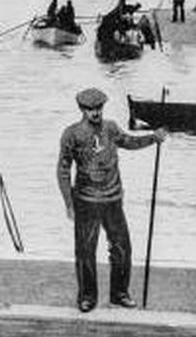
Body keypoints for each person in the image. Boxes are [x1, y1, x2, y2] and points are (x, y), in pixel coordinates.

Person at [56, 88, 166, 313]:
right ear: (82, 110)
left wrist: (153, 138)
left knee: (122, 248)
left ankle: (119, 294)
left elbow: (129, 142)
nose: (95, 113)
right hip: (85, 201)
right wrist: (68, 204)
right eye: (90, 109)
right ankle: (87, 297)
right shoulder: (72, 134)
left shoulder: (111, 128)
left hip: (113, 199)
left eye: (98, 108)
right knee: (85, 251)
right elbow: (63, 170)